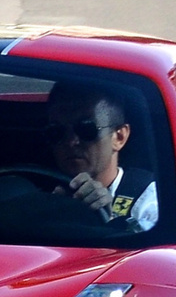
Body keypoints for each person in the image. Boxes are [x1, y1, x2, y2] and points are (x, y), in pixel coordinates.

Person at [45, 83, 158, 232]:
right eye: (57, 131)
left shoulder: (150, 198)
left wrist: (108, 222)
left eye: (86, 129)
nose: (71, 142)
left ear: (119, 137)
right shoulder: (35, 194)